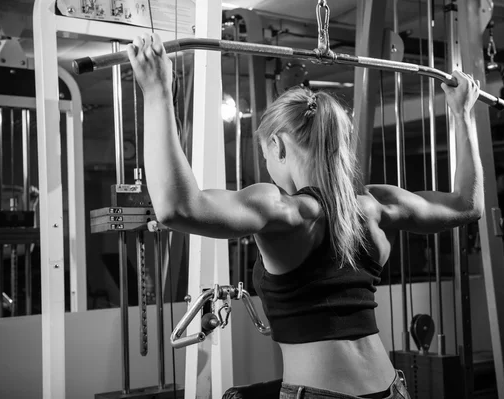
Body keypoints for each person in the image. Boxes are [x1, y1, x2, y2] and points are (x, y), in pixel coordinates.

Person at [128, 33, 484, 399]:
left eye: (266, 155)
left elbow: (176, 208)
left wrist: (157, 91)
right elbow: (467, 205)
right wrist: (463, 114)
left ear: (278, 145)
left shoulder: (286, 210)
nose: (267, 167)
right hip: (390, 388)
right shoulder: (375, 206)